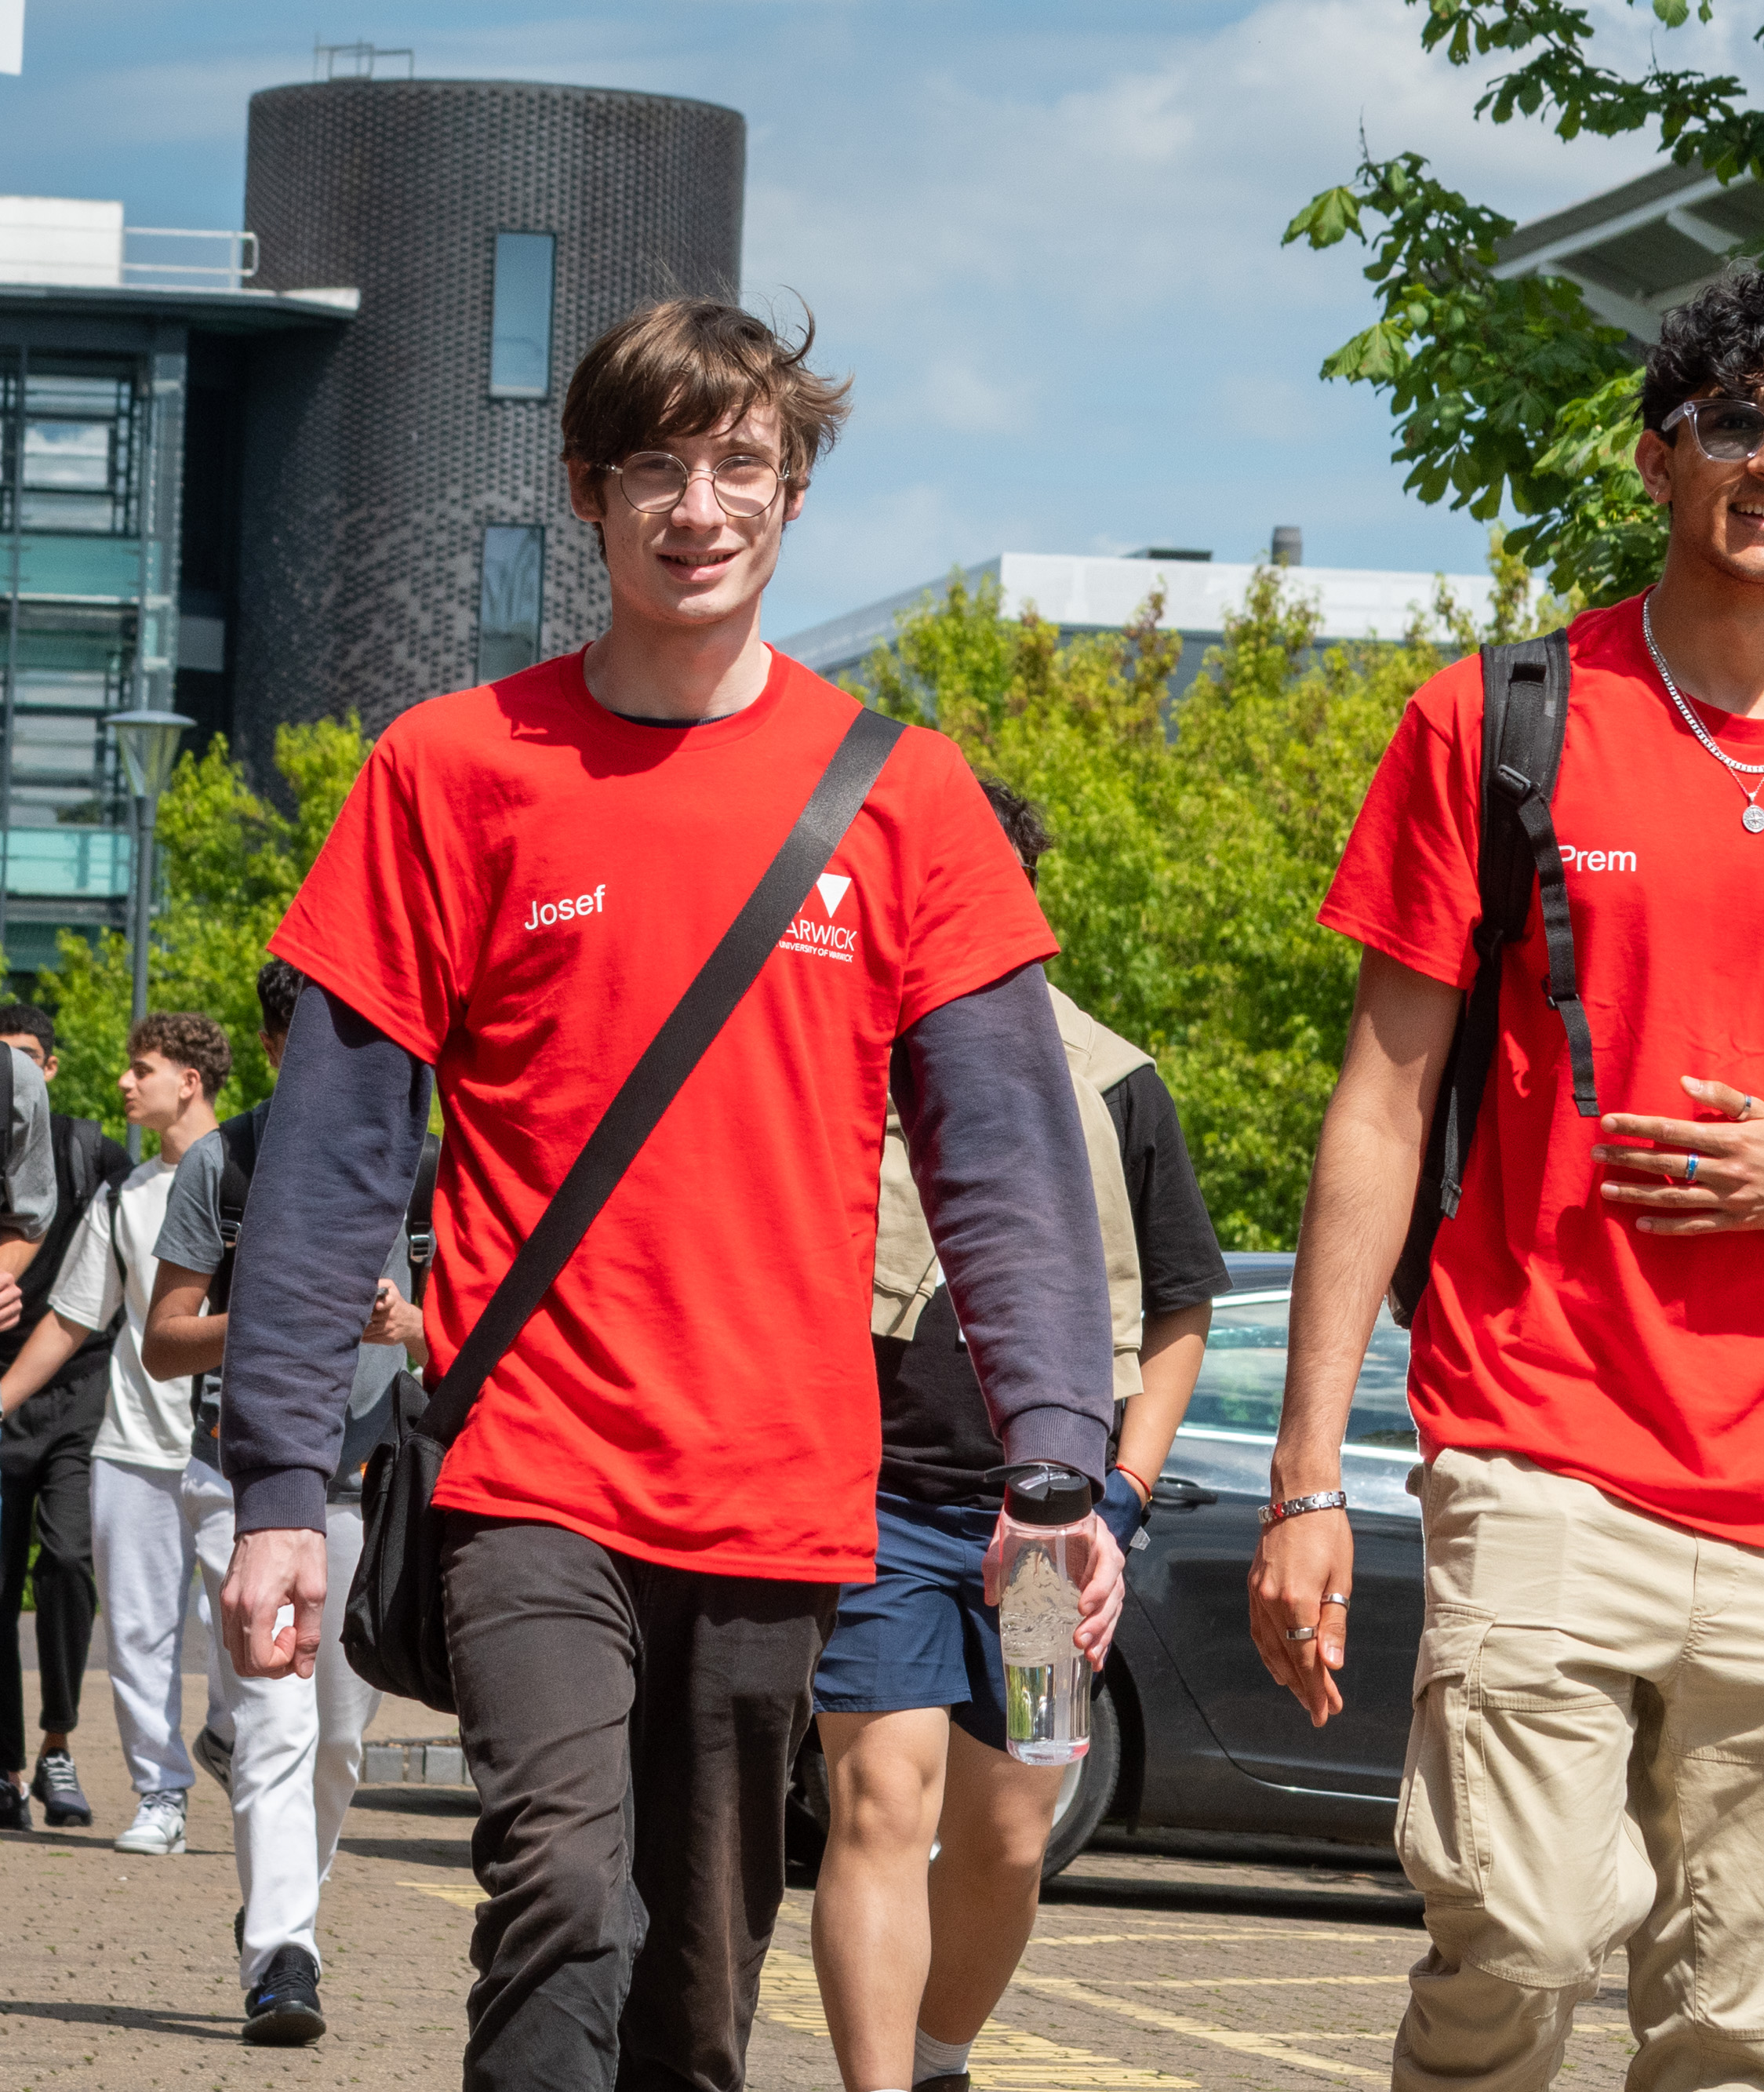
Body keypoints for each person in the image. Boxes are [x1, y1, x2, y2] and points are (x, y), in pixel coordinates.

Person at [209, 297, 1124, 2092]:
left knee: (698, 1992)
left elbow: (1007, 1161)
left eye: (740, 468)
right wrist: (279, 1482)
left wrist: (1055, 1465)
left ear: (790, 502)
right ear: (585, 494)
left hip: (777, 1485)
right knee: (561, 1881)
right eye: (655, 468)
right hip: (528, 1464)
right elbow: (330, 1157)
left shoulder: (905, 801)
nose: (697, 506)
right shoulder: (451, 774)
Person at [1248, 267, 1764, 2092]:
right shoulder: (1497, 722)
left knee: (1745, 2025)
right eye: (1730, 424)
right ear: (1656, 462)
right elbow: (1376, 1103)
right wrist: (1304, 1480)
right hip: (1536, 1436)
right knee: (1514, 1937)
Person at [816, 775, 1229, 2092]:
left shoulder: (1112, 1082)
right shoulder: (835, 1061)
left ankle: (940, 2060)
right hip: (873, 1514)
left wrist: (1123, 1489)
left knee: (1009, 1831)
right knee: (886, 1798)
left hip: (1050, 1536)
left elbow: (1177, 1311)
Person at [140, 957, 425, 2043]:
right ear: (273, 1050)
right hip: (244, 1473)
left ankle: (281, 1902)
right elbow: (165, 1341)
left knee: (340, 1737)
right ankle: (284, 1955)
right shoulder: (226, 1161)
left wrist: (407, 1329)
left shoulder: (427, 1164)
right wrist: (276, 1309)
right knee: (273, 1716)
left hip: (369, 1481)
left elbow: (474, 1336)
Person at [0, 1012, 227, 1858]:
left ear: (188, 1083)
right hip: (132, 1445)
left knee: (243, 1638)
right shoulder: (121, 1195)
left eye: (143, 1070)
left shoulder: (249, 1180)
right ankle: (160, 1794)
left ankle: (229, 1741)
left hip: (228, 1447)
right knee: (135, 1633)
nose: (125, 1083)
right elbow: (69, 1319)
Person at [0, 1002, 129, 1832]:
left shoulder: (94, 1154)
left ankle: (58, 1743)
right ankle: (8, 1770)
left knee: (70, 1561)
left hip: (78, 1388)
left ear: (47, 1069)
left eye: (24, 1059)